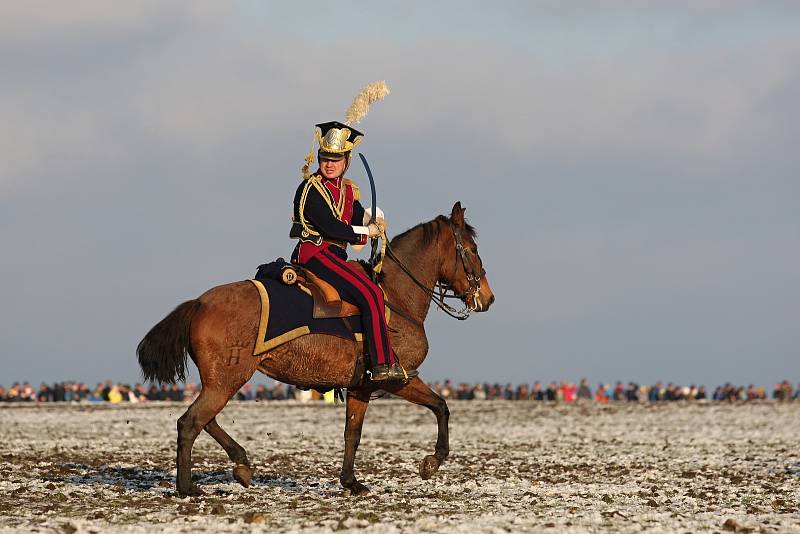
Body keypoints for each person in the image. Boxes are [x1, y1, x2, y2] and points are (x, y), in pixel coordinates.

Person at [290, 121, 404, 382]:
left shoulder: (348, 189)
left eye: (336, 159)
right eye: (325, 158)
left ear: (346, 160)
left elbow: (355, 215)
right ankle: (382, 363)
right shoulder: (309, 189)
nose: (329, 164)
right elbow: (332, 227)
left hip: (337, 256)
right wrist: (365, 232)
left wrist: (372, 220)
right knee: (371, 292)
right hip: (315, 254)